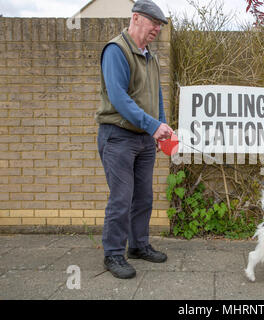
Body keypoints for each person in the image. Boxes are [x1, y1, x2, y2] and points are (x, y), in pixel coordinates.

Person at [95, 0, 173, 279]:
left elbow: (157, 95)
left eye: (160, 25)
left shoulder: (149, 56)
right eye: (154, 22)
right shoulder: (116, 50)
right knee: (122, 198)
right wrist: (152, 125)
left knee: (143, 197)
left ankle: (138, 246)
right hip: (118, 137)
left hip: (143, 140)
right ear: (136, 18)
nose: (157, 29)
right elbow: (118, 98)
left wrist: (162, 125)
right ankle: (113, 254)